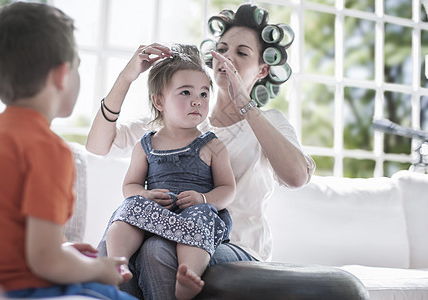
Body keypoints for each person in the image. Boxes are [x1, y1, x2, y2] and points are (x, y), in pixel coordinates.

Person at [86, 3, 315, 299]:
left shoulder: (268, 122)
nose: (226, 58)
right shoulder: (179, 119)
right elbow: (97, 145)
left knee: (156, 249)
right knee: (116, 245)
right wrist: (127, 77)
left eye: (241, 53)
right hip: (166, 228)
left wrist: (245, 104)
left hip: (235, 245)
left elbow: (297, 177)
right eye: (221, 48)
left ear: (263, 69)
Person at [0, 3, 137, 299]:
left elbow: (3, 235)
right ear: (62, 75)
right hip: (24, 289)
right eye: (78, 65)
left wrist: (62, 249)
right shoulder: (48, 150)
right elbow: (45, 261)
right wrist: (97, 269)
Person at [101, 44, 236, 300]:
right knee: (128, 208)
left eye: (204, 94)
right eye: (186, 92)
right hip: (155, 215)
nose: (197, 100)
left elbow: (228, 189)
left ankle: (188, 275)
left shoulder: (212, 145)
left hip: (190, 214)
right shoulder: (146, 144)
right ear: (159, 101)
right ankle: (117, 262)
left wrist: (204, 199)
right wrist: (143, 194)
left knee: (201, 216)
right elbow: (130, 184)